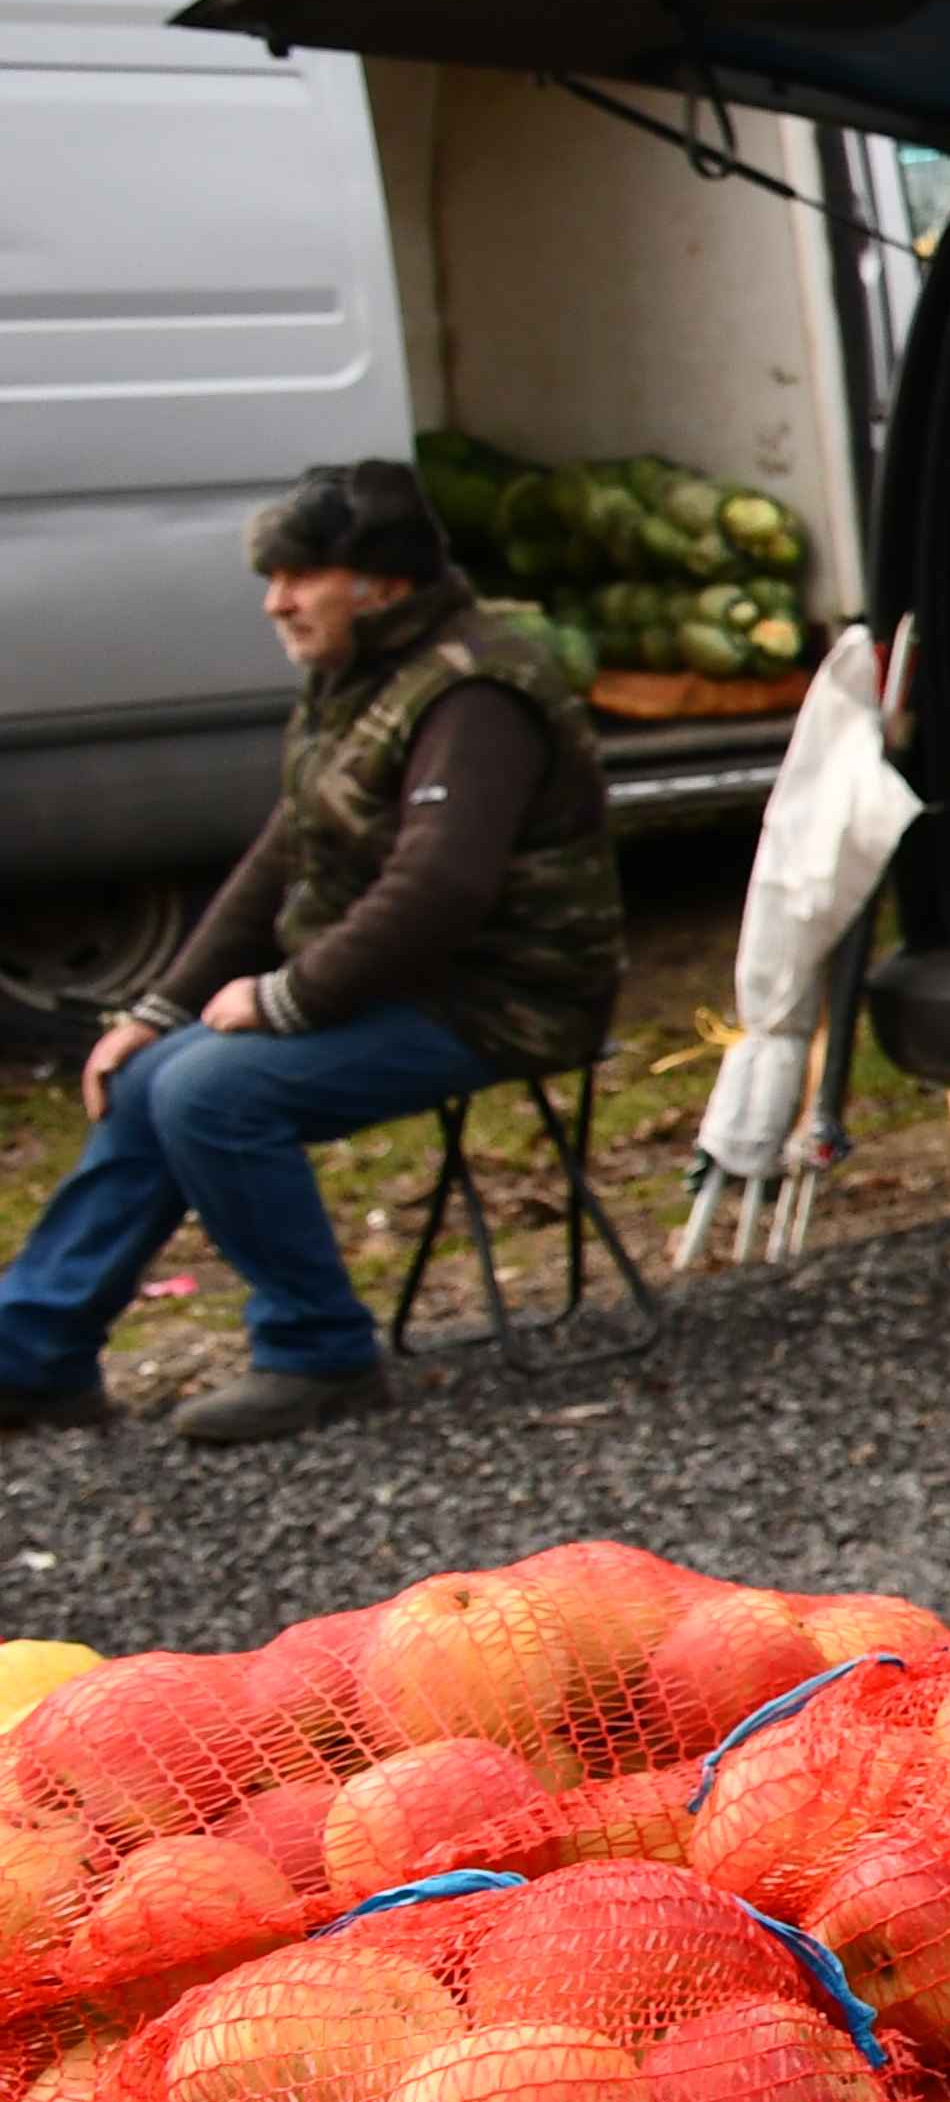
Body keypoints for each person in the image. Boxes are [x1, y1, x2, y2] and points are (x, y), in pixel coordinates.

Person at [3, 460, 625, 1446]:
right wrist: (155, 1009)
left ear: (383, 582)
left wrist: (289, 997)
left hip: (502, 997)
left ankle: (319, 1353)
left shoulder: (476, 691)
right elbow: (281, 852)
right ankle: (32, 1357)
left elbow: (442, 889)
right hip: (400, 987)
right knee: (148, 1074)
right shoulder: (357, 678)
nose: (275, 602)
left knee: (211, 1093)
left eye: (300, 577)